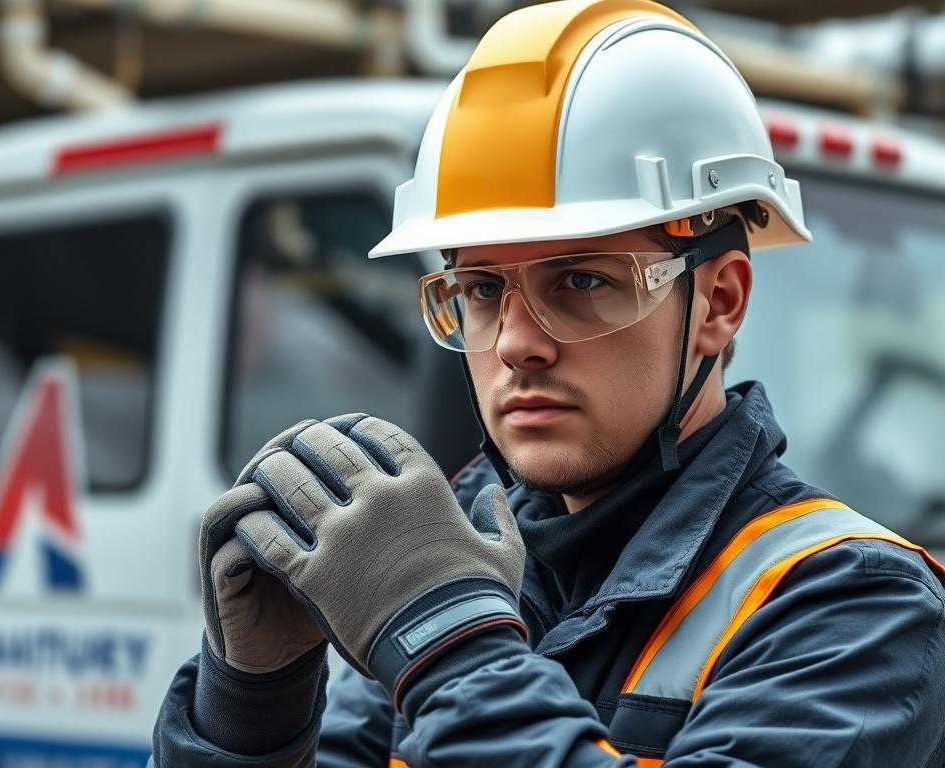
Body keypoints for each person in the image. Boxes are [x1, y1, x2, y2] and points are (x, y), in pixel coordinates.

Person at [151, 1, 945, 765]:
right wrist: (250, 716)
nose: (517, 344)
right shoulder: (459, 560)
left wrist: (450, 642)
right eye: (483, 291)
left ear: (720, 303)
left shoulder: (860, 605)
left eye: (582, 281)